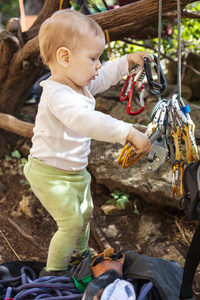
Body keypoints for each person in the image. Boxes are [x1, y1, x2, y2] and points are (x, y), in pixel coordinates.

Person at [23, 9, 151, 277]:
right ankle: (53, 273)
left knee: (85, 214)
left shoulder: (78, 85)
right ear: (64, 58)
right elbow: (86, 120)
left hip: (74, 172)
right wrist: (127, 131)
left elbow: (104, 77)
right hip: (49, 174)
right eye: (93, 58)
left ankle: (79, 254)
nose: (99, 65)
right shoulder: (58, 94)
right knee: (70, 222)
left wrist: (128, 61)